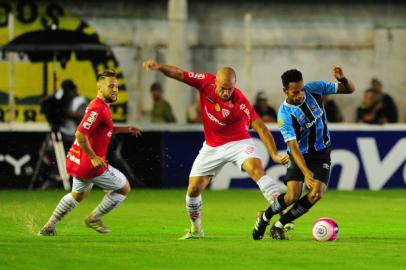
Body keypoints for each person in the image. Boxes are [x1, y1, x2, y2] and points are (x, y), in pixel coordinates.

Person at [143, 59, 289, 239]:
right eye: (223, 88)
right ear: (216, 82)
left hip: (239, 143)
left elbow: (261, 128)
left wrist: (273, 153)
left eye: (231, 88)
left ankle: (283, 214)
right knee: (193, 190)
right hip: (212, 147)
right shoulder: (205, 81)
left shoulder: (240, 101)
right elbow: (179, 73)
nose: (227, 93)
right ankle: (196, 230)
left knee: (257, 171)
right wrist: (159, 67)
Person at [252, 66, 356, 240]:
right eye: (294, 92)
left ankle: (279, 225)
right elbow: (293, 147)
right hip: (299, 154)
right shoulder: (284, 115)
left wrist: (343, 78)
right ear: (285, 90)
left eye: (300, 90)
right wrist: (306, 172)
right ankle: (265, 218)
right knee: (292, 195)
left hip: (322, 151)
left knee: (316, 194)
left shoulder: (314, 88)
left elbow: (350, 89)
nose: (300, 95)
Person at [39, 71, 142, 236]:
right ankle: (94, 218)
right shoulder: (97, 108)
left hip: (78, 161)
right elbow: (80, 134)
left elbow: (101, 128)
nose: (115, 90)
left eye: (116, 86)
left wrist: (125, 129)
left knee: (77, 195)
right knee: (124, 188)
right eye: (111, 86)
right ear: (99, 88)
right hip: (90, 164)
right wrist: (94, 157)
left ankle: (49, 226)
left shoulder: (99, 106)